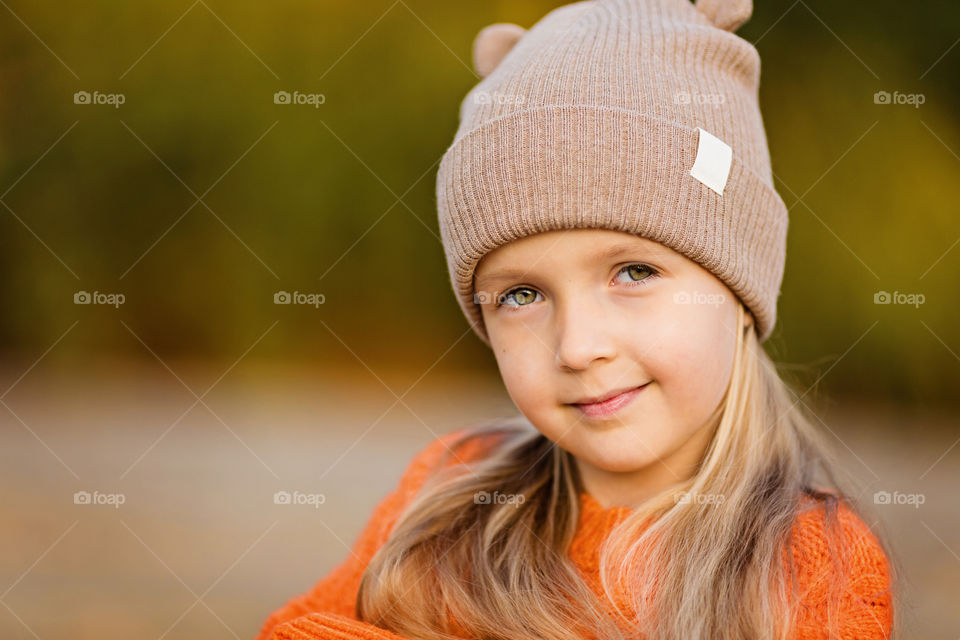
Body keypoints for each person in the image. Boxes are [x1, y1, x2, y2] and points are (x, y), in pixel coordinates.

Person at [255, 0, 897, 638]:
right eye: (522, 295)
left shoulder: (817, 573)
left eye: (634, 273)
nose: (578, 347)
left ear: (737, 289)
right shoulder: (448, 492)